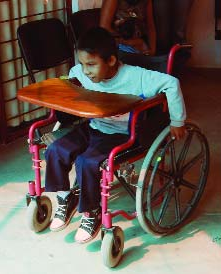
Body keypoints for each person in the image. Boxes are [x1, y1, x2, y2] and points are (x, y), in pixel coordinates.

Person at [44, 27, 186, 244]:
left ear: (111, 61)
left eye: (91, 65)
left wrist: (177, 121)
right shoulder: (81, 73)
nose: (86, 71)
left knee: (87, 161)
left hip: (122, 133)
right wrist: (69, 86)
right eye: (82, 64)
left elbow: (171, 83)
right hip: (93, 125)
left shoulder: (136, 77)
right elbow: (72, 77)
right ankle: (66, 197)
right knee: (55, 149)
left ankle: (92, 212)